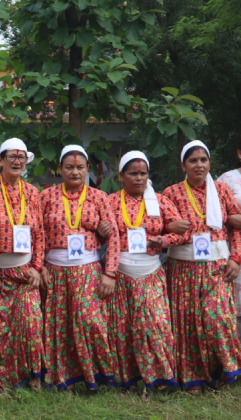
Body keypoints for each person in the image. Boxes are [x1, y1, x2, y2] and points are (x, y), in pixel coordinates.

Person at [162, 140, 241, 394]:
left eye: (203, 160)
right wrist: (167, 230)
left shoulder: (221, 190)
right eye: (193, 160)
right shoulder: (170, 193)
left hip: (218, 266)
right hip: (183, 267)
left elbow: (236, 227)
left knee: (217, 317)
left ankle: (225, 369)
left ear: (210, 164)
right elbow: (161, 226)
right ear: (183, 165)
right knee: (187, 324)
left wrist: (236, 259)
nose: (199, 165)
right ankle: (193, 377)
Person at [39, 144, 119, 390]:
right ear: (60, 169)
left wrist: (110, 273)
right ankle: (65, 378)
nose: (75, 172)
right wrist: (39, 266)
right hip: (55, 270)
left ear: (87, 170)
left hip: (88, 269)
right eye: (69, 167)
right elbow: (37, 233)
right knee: (60, 325)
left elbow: (114, 236)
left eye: (80, 167)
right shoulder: (46, 196)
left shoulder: (99, 197)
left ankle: (98, 374)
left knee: (89, 320)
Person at [105, 151, 183, 391]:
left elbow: (181, 233)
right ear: (121, 176)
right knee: (122, 328)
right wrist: (101, 230)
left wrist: (163, 240)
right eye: (133, 173)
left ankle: (160, 379)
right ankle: (126, 379)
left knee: (154, 325)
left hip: (151, 273)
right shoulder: (109, 201)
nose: (139, 178)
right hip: (120, 274)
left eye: (143, 173)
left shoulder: (159, 201)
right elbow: (105, 236)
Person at [0, 138, 45, 391]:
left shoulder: (33, 192)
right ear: (0, 160)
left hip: (25, 272)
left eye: (21, 157)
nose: (17, 161)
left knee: (31, 322)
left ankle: (34, 374)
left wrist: (37, 267)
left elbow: (40, 235)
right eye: (11, 157)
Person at [216, 142, 241, 339]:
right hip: (234, 252)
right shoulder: (227, 180)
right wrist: (229, 218)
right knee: (233, 308)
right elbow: (215, 216)